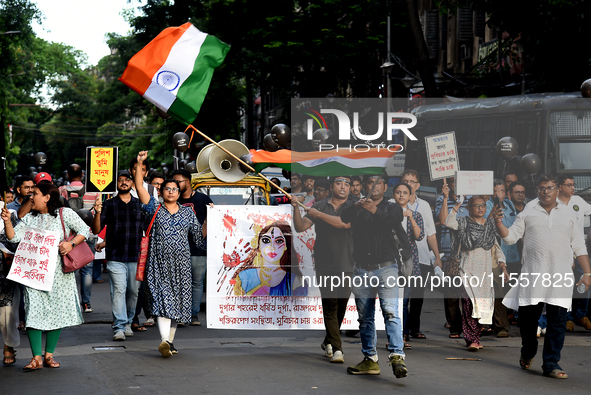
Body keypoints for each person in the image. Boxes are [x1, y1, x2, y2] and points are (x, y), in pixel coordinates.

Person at [495, 174, 591, 379]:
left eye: (549, 188)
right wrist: (499, 224)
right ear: (537, 191)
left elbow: (579, 246)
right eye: (541, 188)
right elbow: (511, 237)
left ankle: (551, 363)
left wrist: (587, 273)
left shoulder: (568, 214)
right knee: (529, 321)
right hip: (533, 276)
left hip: (561, 277)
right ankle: (528, 351)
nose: (545, 191)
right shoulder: (529, 212)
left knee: (557, 322)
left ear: (557, 189)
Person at [2, 183, 90, 370]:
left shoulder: (64, 214)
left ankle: (49, 355)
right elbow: (13, 238)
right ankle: (36, 357)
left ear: (47, 198)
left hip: (60, 276)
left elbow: (85, 230)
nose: (31, 197)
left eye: (35, 194)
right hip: (34, 275)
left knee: (55, 313)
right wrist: (8, 222)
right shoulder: (29, 219)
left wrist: (71, 244)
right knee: (33, 313)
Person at [134, 151, 206, 357]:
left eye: (175, 189)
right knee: (163, 301)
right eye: (168, 189)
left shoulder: (187, 212)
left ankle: (169, 343)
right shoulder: (154, 208)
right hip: (158, 264)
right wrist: (140, 163)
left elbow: (199, 240)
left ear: (179, 191)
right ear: (162, 191)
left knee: (178, 304)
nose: (172, 192)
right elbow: (139, 186)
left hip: (181, 265)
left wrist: (209, 222)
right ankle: (164, 340)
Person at [341, 175, 408, 379]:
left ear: (385, 187)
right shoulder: (357, 207)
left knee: (390, 311)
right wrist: (358, 206)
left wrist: (374, 210)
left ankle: (397, 356)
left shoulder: (392, 207)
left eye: (378, 183)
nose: (374, 186)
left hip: (386, 268)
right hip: (361, 269)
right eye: (370, 183)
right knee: (365, 318)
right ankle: (370, 359)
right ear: (365, 186)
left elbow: (392, 221)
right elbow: (344, 217)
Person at [292, 176, 354, 363]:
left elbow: (344, 224)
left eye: (346, 184)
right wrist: (296, 207)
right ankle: (337, 349)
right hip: (324, 262)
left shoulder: (353, 207)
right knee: (330, 305)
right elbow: (300, 226)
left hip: (348, 262)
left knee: (341, 306)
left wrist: (318, 215)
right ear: (331, 186)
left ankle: (328, 339)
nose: (342, 187)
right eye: (338, 183)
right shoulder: (319, 205)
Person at [440, 194, 507, 351]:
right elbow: (448, 222)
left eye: (482, 205)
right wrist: (457, 205)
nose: (480, 208)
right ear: (469, 208)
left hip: (484, 273)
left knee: (481, 306)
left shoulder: (489, 225)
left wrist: (503, 266)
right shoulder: (463, 223)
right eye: (476, 205)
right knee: (469, 305)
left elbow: (496, 247)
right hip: (466, 271)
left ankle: (475, 336)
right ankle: (471, 339)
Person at [92, 170, 144, 341]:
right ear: (116, 184)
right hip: (115, 256)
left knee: (133, 291)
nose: (123, 183)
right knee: (119, 291)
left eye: (126, 180)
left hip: (135, 255)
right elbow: (97, 230)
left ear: (132, 183)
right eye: (120, 180)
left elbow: (146, 230)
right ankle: (120, 326)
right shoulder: (109, 204)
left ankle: (129, 321)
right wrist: (98, 212)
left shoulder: (139, 204)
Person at [399, 170, 442, 343]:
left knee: (417, 295)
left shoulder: (424, 205)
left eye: (412, 181)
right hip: (400, 257)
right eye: (405, 181)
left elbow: (431, 233)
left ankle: (414, 327)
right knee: (403, 295)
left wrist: (437, 256)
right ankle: (402, 329)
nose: (409, 184)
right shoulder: (392, 204)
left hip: (422, 257)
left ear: (417, 186)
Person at [173, 169, 213, 326]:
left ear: (187, 182)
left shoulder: (203, 199)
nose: (175, 186)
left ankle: (193, 314)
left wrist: (199, 237)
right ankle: (182, 315)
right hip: (178, 249)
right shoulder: (173, 200)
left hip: (199, 250)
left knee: (197, 283)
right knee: (180, 282)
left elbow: (211, 220)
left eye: (178, 182)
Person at [59, 164, 101, 314]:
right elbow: (98, 211)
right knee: (87, 270)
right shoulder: (94, 192)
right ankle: (86, 303)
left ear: (68, 175)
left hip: (68, 236)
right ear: (82, 174)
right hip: (88, 234)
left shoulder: (62, 191)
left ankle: (69, 303)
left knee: (68, 268)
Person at [390, 182, 424, 348]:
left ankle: (403, 334)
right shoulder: (387, 214)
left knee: (404, 300)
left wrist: (410, 217)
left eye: (405, 192)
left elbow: (419, 236)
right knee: (391, 301)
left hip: (408, 262)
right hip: (389, 260)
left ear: (410, 195)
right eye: (398, 192)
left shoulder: (416, 215)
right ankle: (393, 335)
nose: (401, 195)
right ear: (393, 194)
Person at [435, 177, 469, 338]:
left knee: (469, 292)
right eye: (455, 181)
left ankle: (470, 326)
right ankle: (454, 326)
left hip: (469, 254)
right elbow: (443, 221)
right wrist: (447, 198)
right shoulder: (442, 199)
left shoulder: (473, 200)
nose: (458, 184)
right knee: (451, 292)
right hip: (449, 253)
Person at [232, 221, 303, 296]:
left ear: (286, 246)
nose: (272, 247)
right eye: (266, 241)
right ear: (258, 245)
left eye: (279, 241)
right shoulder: (244, 278)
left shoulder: (295, 281)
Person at [1, 214, 19, 366]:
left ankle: (9, 346)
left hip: (4, 270)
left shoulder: (9, 213)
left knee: (7, 314)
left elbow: (16, 240)